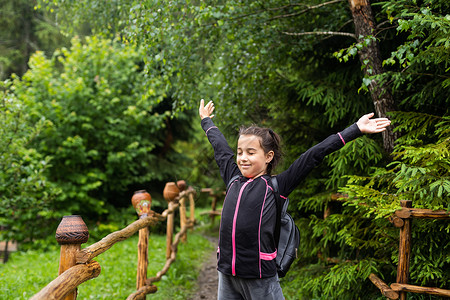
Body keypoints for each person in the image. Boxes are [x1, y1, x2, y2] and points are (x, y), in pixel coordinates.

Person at [198, 99, 391, 300]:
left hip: (260, 275)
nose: (242, 158)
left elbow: (313, 155)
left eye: (250, 152)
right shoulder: (233, 177)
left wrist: (355, 130)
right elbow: (219, 146)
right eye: (239, 152)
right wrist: (206, 121)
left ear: (268, 156)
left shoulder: (276, 186)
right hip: (227, 273)